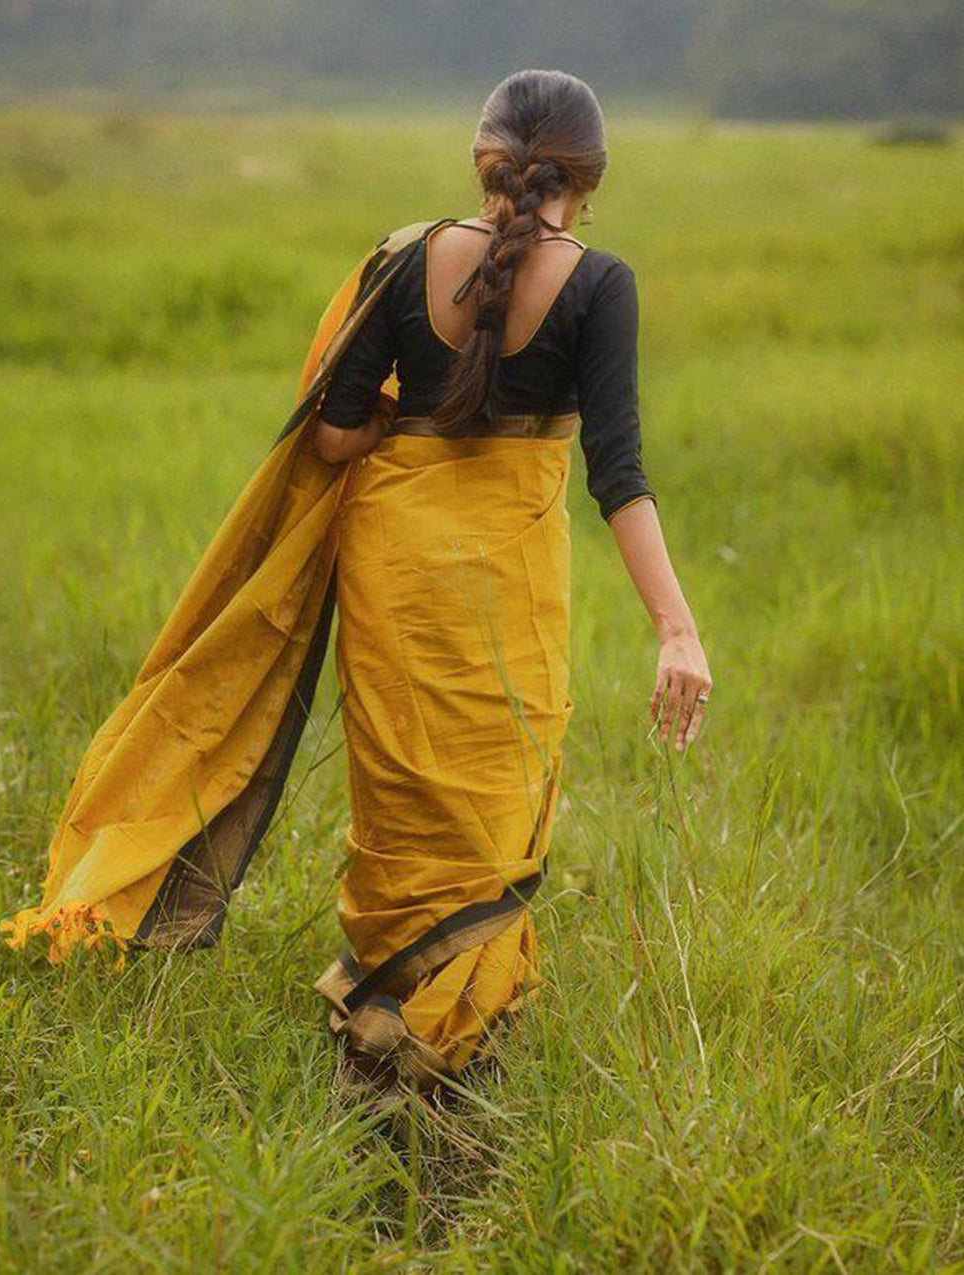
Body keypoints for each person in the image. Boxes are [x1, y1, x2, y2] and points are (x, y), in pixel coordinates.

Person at [307, 69, 712, 1098]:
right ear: (588, 178)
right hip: (507, 586)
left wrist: (410, 411)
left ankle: (378, 1012)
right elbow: (617, 470)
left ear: (481, 162)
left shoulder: (403, 260)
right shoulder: (599, 283)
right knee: (488, 805)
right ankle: (452, 1041)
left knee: (397, 799)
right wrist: (675, 628)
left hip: (393, 570)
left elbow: (333, 431)